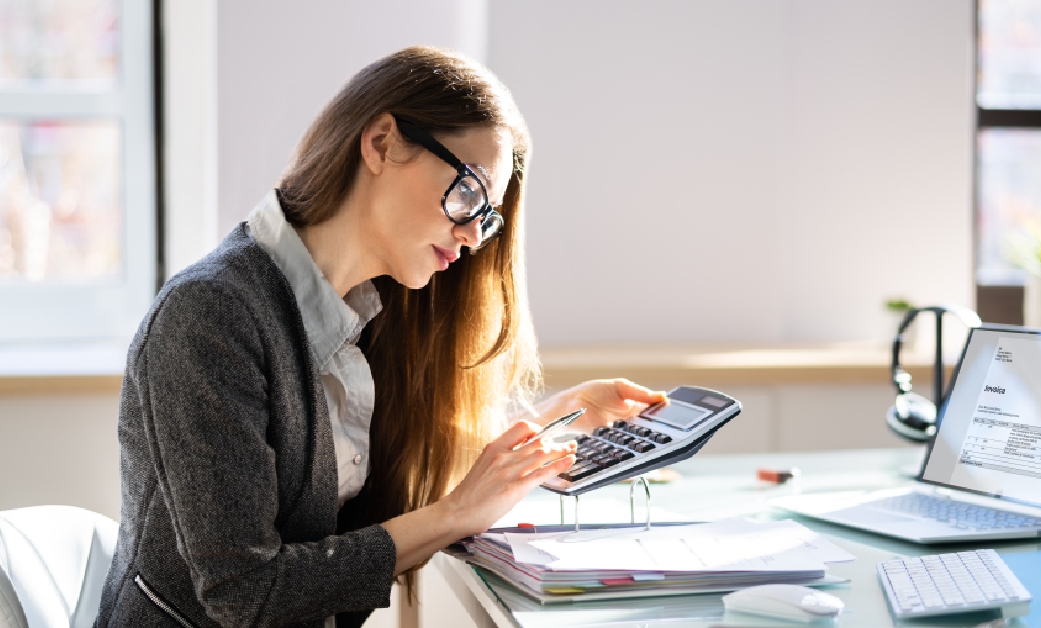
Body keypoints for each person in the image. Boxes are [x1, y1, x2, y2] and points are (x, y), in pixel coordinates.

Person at [93, 46, 666, 628]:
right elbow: (245, 593)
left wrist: (551, 424)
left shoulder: (366, 316)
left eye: (486, 216)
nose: (471, 236)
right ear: (381, 143)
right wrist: (454, 516)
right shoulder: (211, 315)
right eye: (468, 192)